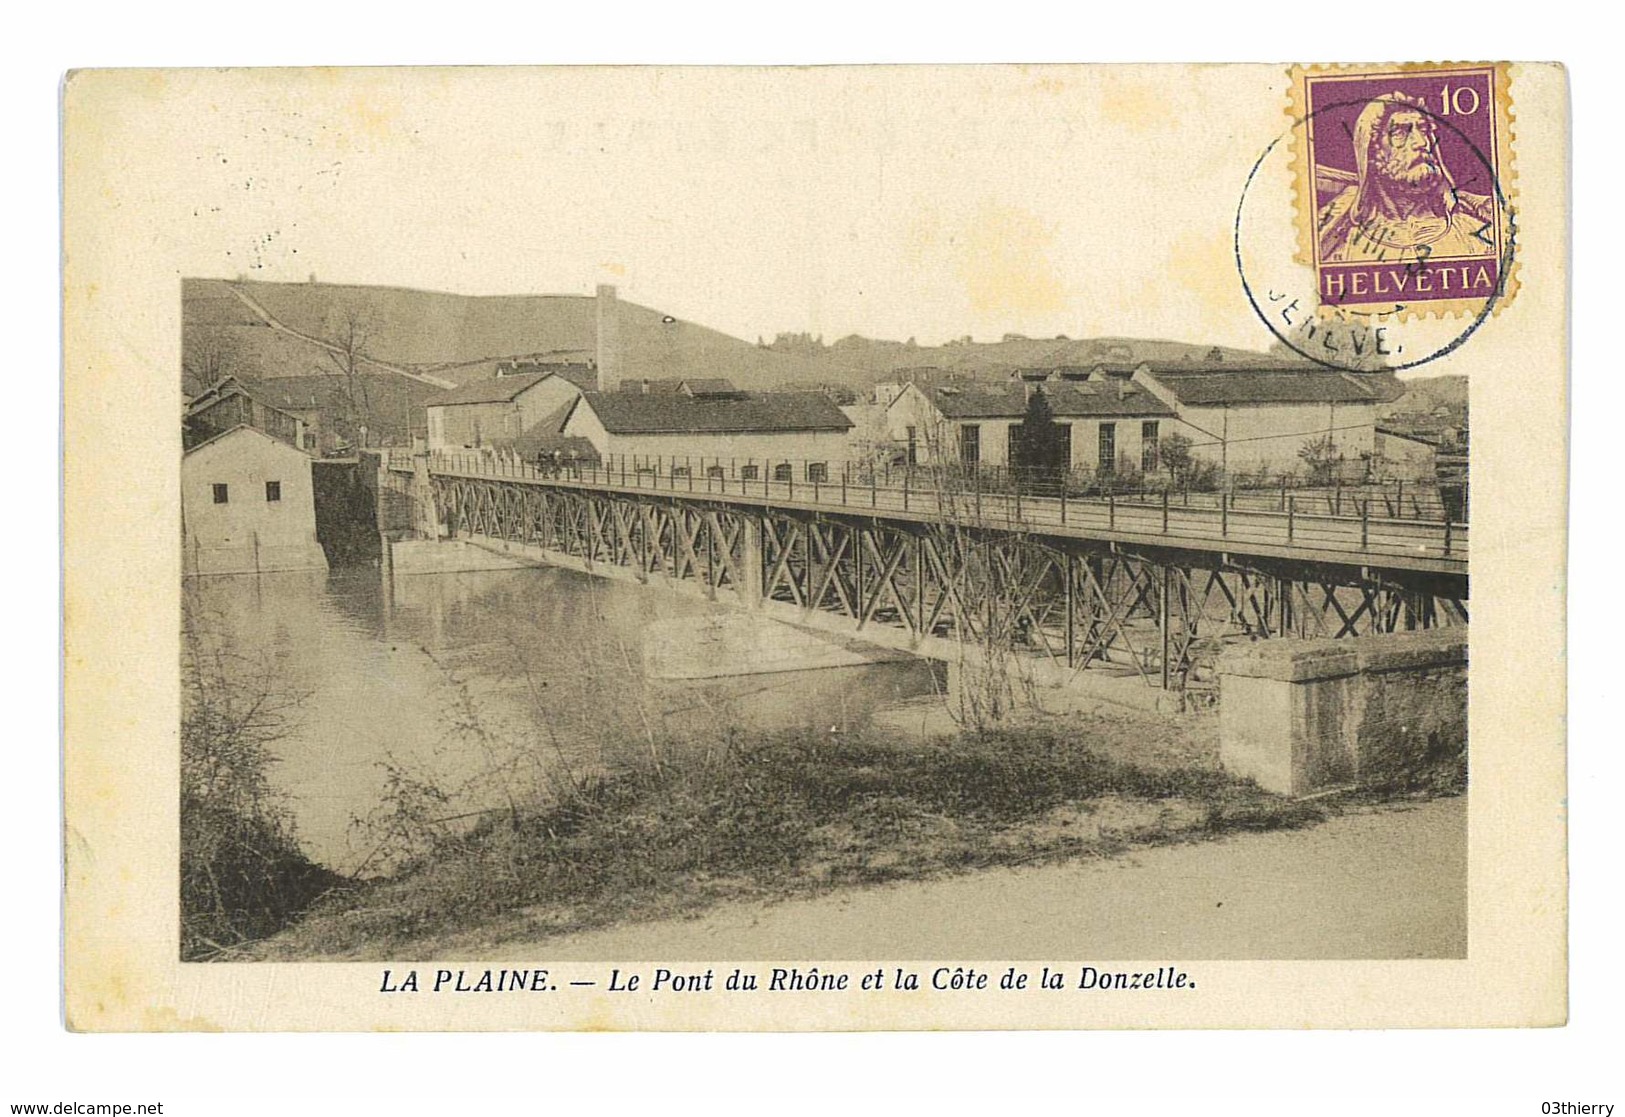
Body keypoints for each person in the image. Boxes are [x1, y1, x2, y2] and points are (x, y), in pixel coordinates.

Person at [1316, 93, 1495, 263]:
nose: (1421, 143)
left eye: (1424, 130)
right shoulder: (1341, 245)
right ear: (1371, 152)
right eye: (1400, 132)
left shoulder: (1479, 235)